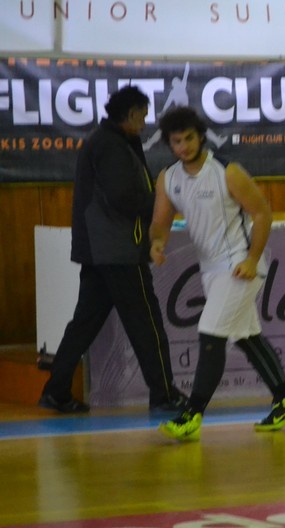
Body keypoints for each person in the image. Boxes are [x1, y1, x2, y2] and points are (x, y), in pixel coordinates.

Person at [149, 107, 285, 441]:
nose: (184, 146)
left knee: (211, 333)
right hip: (211, 271)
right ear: (169, 143)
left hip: (239, 266)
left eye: (189, 138)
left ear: (200, 136)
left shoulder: (227, 171)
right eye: (176, 141)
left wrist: (252, 259)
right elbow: (160, 223)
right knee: (246, 336)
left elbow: (262, 213)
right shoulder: (168, 178)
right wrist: (157, 243)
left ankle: (192, 415)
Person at [39, 85, 185, 414]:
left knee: (85, 323)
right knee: (146, 323)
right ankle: (164, 394)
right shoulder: (110, 145)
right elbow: (124, 197)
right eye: (143, 116)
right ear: (130, 114)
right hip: (118, 250)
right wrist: (162, 201)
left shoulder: (108, 141)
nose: (145, 123)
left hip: (100, 249)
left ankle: (56, 390)